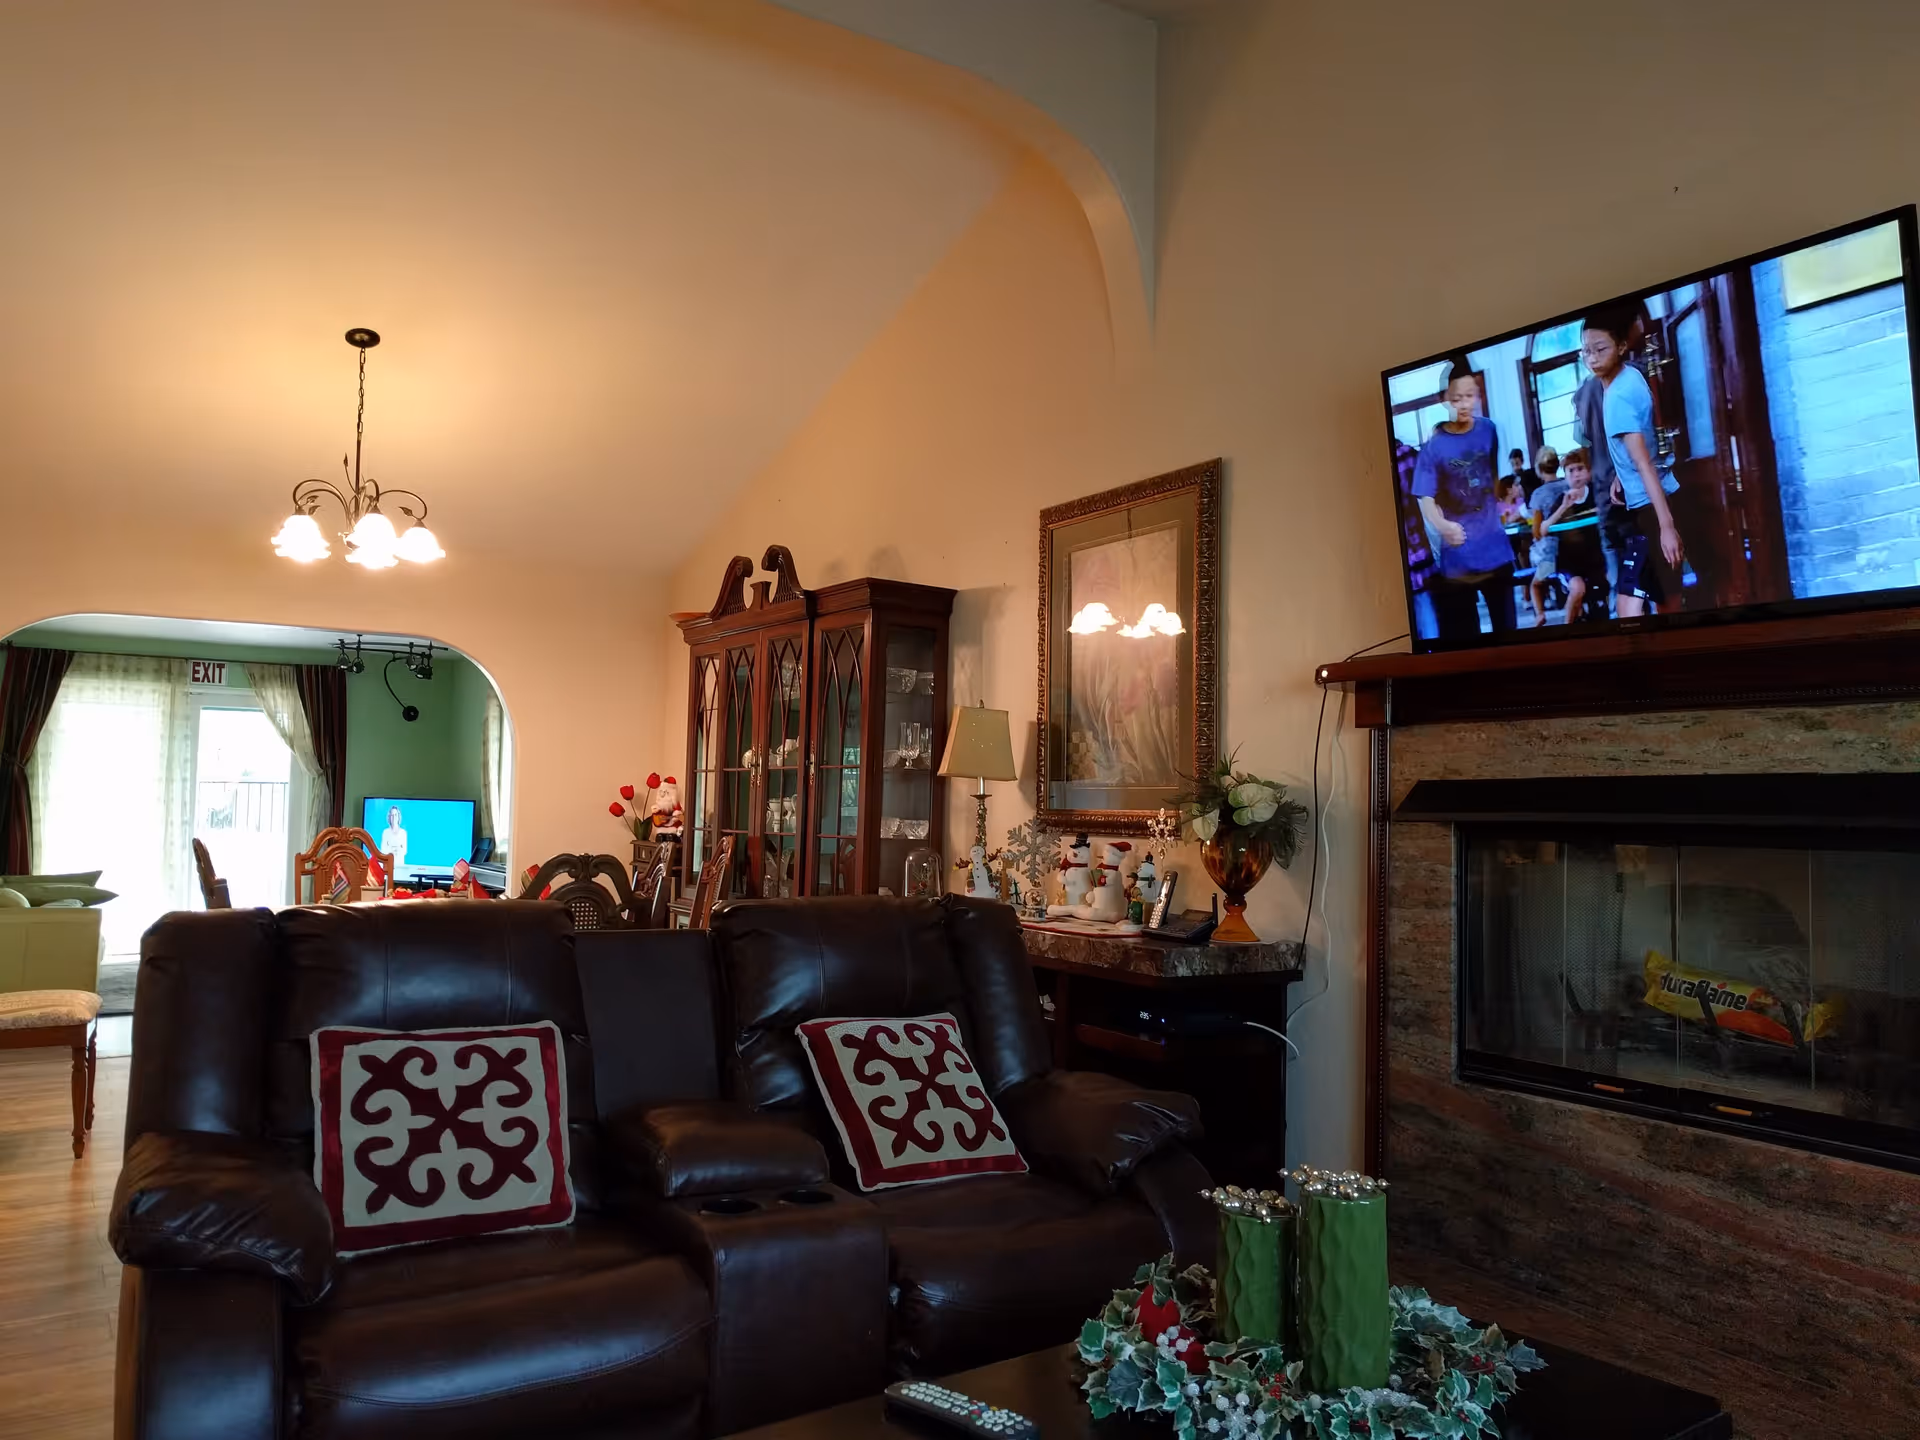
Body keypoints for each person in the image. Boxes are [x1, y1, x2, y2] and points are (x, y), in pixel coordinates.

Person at [1581, 308, 1683, 617]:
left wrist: (1666, 526)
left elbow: (1643, 463)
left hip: (1648, 510)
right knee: (1643, 591)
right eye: (1586, 351)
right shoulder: (1631, 376)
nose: (1592, 358)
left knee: (1655, 599)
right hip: (1646, 501)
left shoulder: (1617, 398)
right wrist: (1619, 476)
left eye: (1601, 349)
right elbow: (1639, 446)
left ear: (1622, 346)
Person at [1412, 357, 1516, 641]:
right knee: (1466, 642)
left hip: (1495, 550)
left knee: (1510, 638)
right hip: (1458, 561)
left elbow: (1492, 477)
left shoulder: (1489, 430)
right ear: (1444, 399)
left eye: (1471, 396)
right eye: (1457, 398)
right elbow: (1425, 499)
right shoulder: (1432, 449)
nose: (1465, 404)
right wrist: (1444, 526)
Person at [1529, 448, 1606, 626]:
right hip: (1568, 562)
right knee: (1578, 588)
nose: (1576, 475)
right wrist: (1563, 507)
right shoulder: (1562, 499)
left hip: (1596, 560)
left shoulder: (1597, 494)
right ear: (1564, 474)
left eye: (1580, 469)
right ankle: (1567, 627)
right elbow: (1543, 529)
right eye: (1571, 471)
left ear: (1589, 471)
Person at [381, 805, 410, 876]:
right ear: (389, 817)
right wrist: (394, 850)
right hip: (388, 867)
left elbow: (404, 850)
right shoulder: (385, 832)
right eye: (392, 815)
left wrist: (395, 850)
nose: (394, 817)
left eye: (395, 815)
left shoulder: (403, 833)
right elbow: (383, 850)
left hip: (400, 866)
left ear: (398, 817)